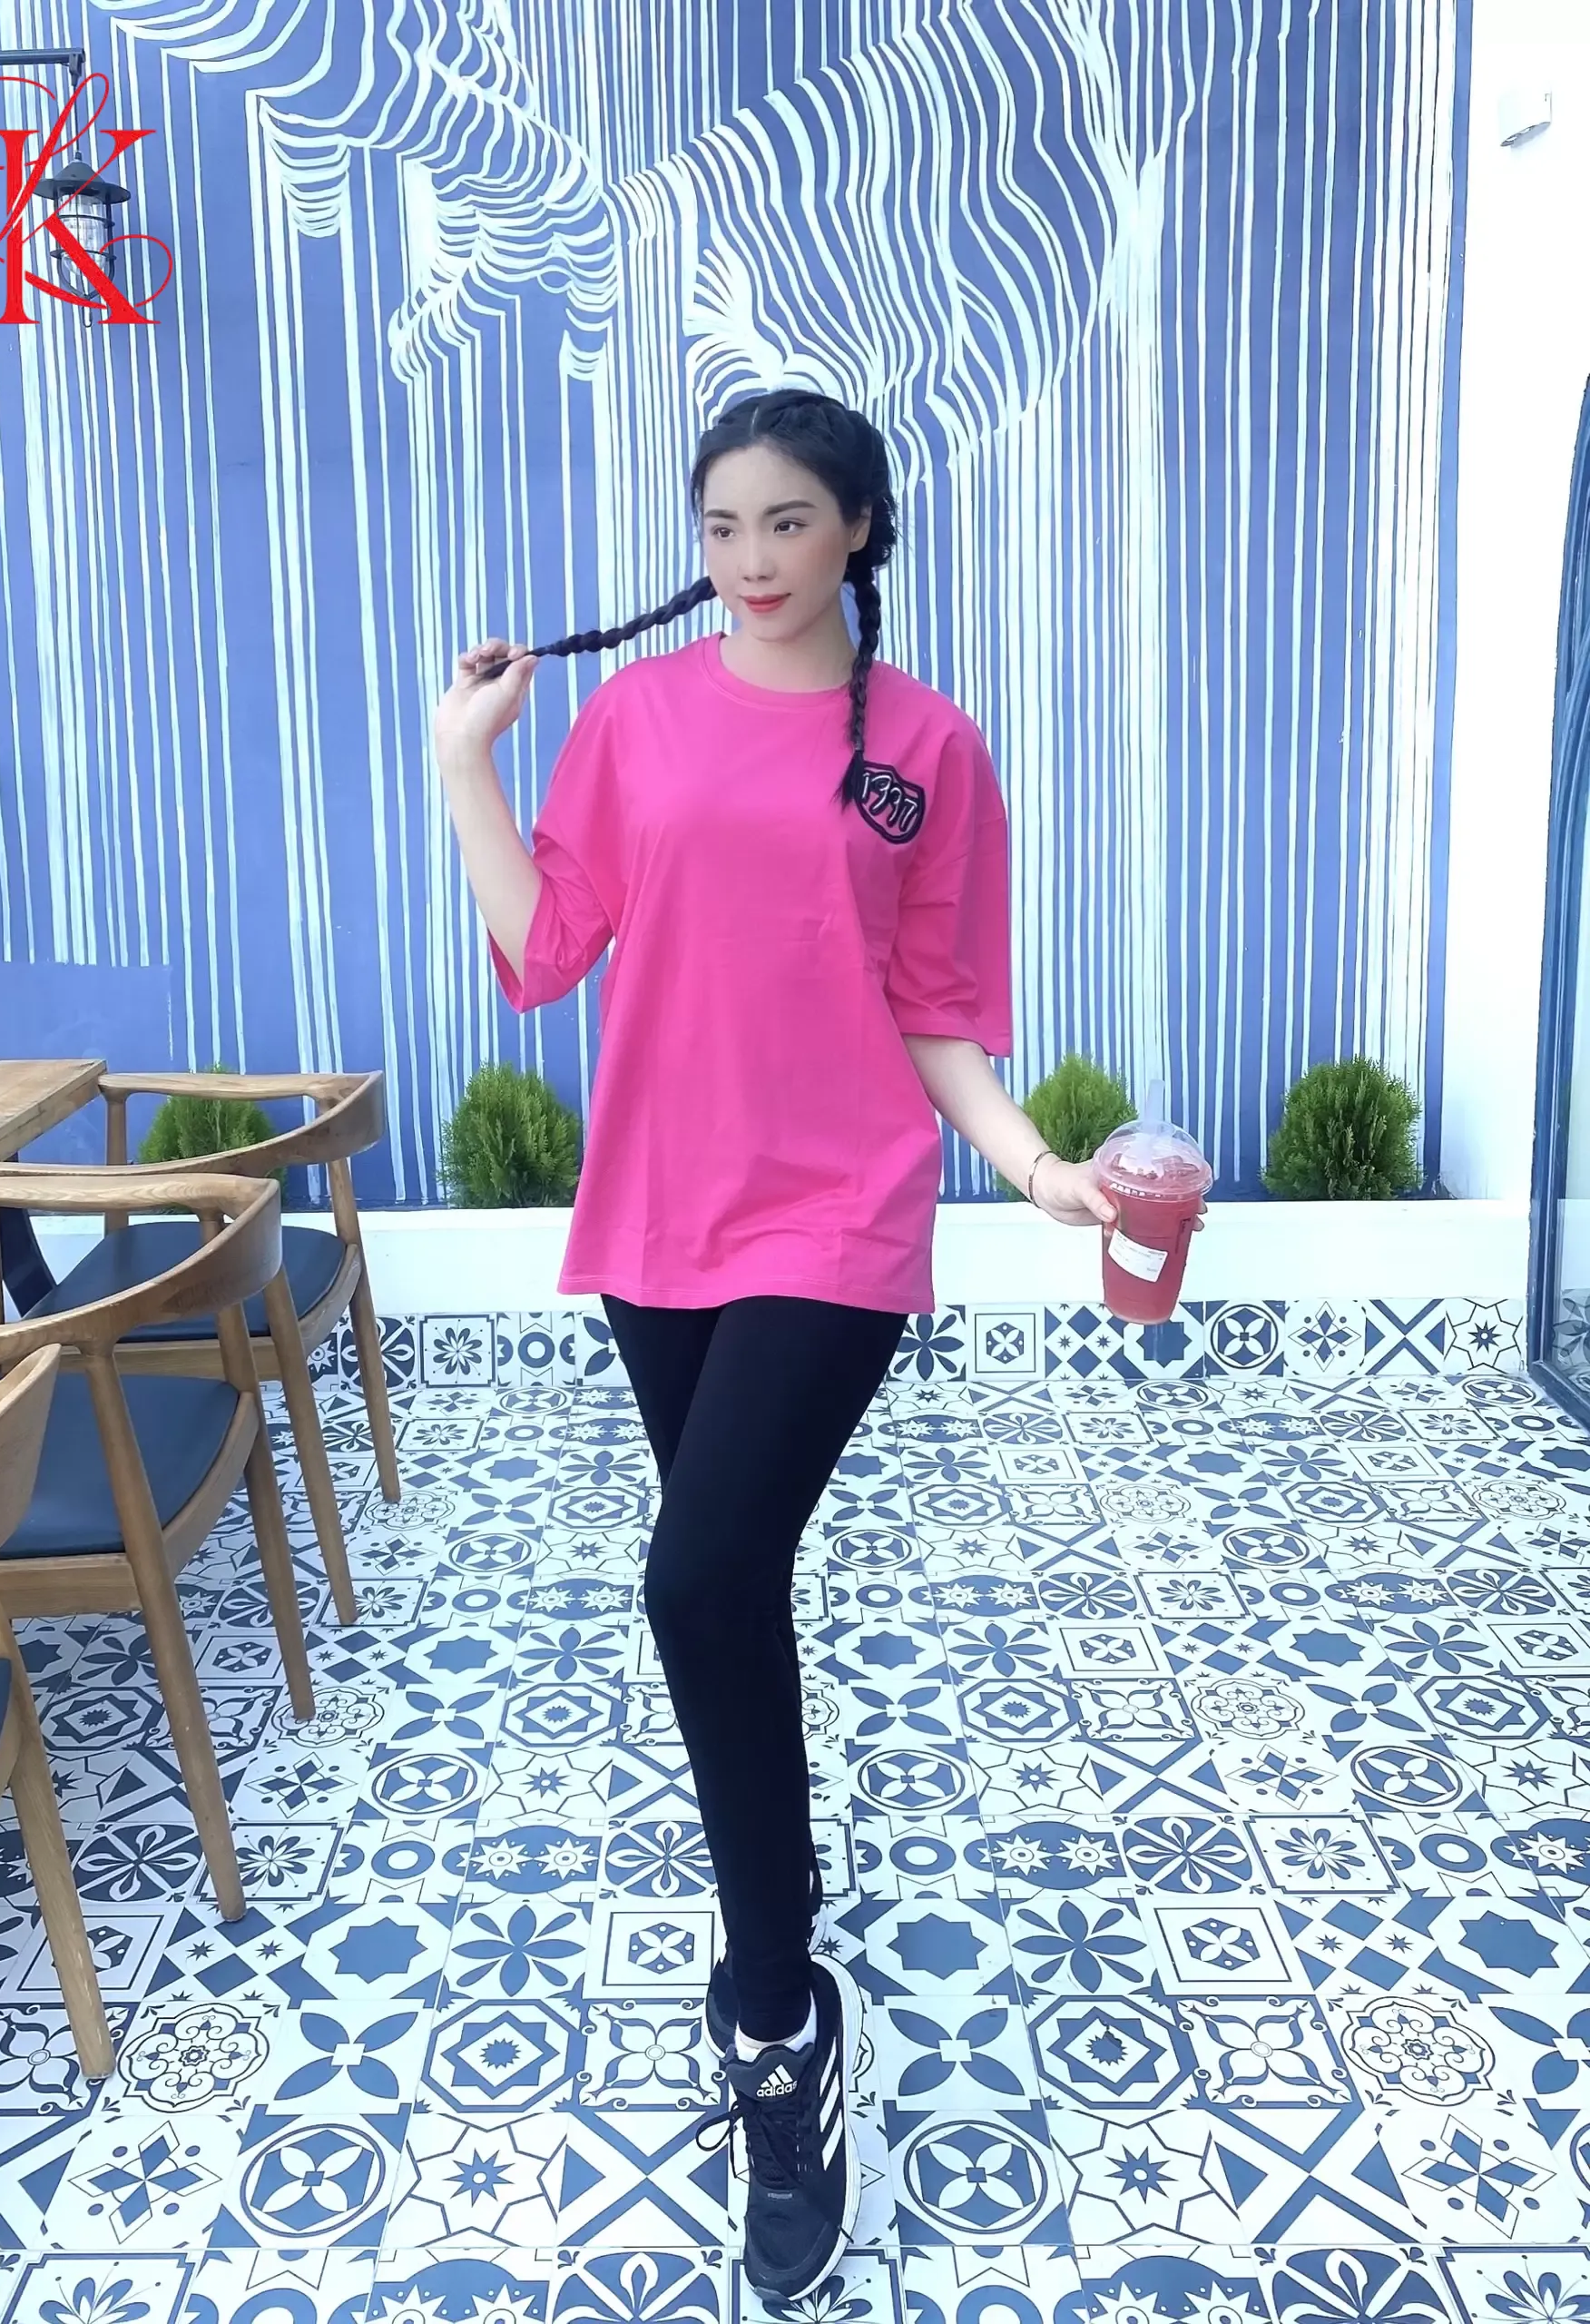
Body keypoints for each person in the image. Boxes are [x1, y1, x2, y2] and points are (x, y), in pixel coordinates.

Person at [432, 388, 1200, 2297]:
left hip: (836, 1214)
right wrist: (465, 766)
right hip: (659, 1213)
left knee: (694, 1580)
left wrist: (1034, 1166)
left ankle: (776, 2019)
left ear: (859, 525)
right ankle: (778, 1920)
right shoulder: (636, 717)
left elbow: (936, 1008)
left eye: (787, 521)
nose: (751, 560)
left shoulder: (928, 746)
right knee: (736, 1591)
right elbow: (547, 954)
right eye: (721, 527)